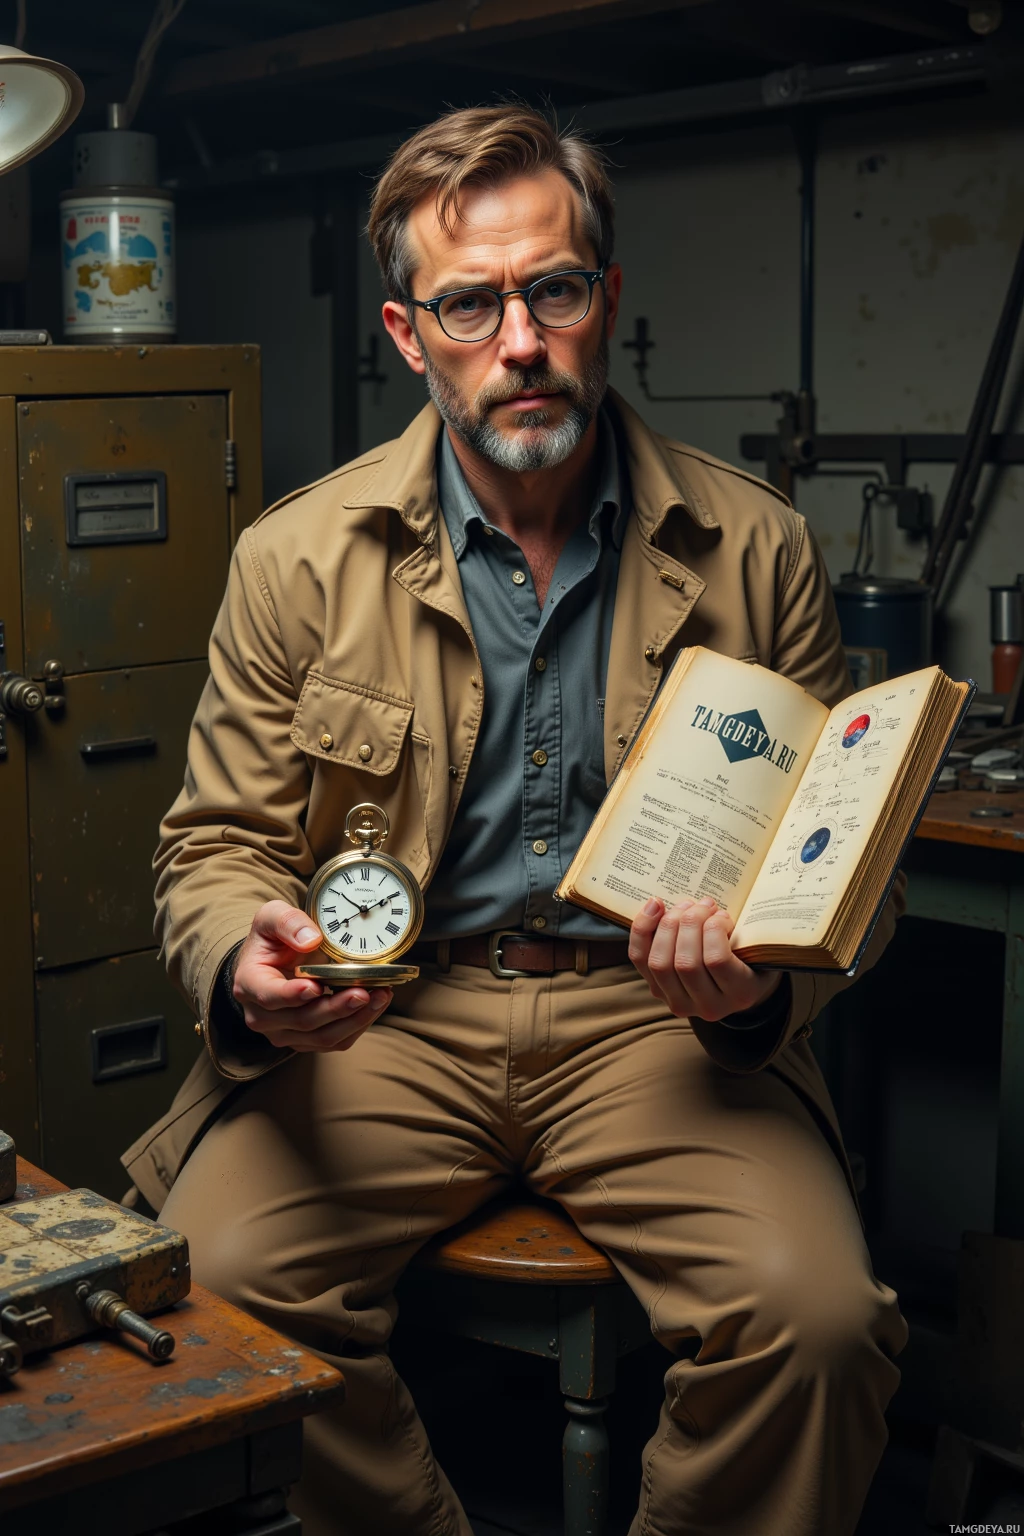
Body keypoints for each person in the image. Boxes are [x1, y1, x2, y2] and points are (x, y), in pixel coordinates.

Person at [124, 105, 907, 1536]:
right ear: (410, 334)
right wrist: (246, 959)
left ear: (604, 298)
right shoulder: (296, 557)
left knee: (821, 1325)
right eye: (468, 304)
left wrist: (750, 996)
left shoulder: (760, 546)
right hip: (392, 1016)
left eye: (551, 289)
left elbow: (840, 872)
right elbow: (215, 844)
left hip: (652, 1030)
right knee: (214, 1303)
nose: (519, 339)